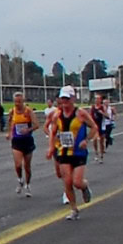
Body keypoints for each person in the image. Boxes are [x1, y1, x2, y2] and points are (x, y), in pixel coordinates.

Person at [45, 86, 98, 221]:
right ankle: (74, 209)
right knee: (67, 182)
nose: (65, 102)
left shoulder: (81, 114)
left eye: (67, 99)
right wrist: (51, 147)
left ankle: (85, 187)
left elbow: (94, 127)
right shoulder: (57, 115)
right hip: (64, 152)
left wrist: (86, 140)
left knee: (77, 182)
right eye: (63, 98)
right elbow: (52, 132)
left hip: (79, 152)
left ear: (73, 99)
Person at [7, 92, 38, 196]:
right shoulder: (12, 111)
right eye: (15, 101)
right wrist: (9, 133)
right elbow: (10, 122)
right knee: (18, 164)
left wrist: (28, 129)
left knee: (27, 166)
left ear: (23, 101)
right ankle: (20, 179)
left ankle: (28, 185)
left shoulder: (28, 111)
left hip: (27, 140)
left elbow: (36, 125)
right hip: (17, 140)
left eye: (19, 101)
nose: (17, 104)